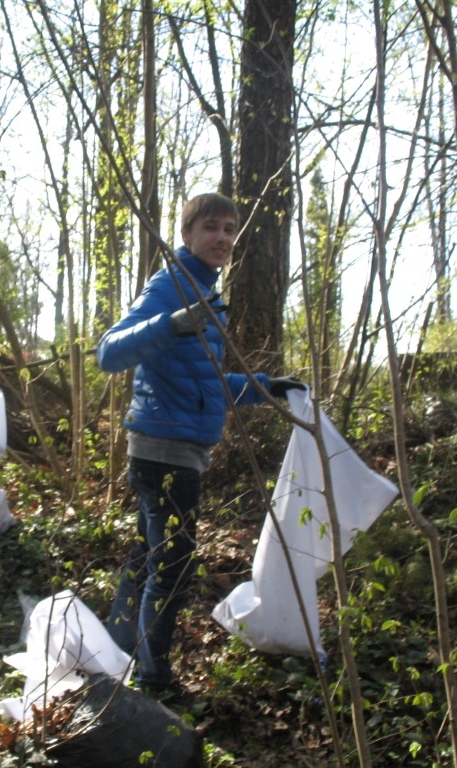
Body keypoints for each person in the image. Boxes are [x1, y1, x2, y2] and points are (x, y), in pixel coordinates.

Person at [96, 192, 305, 695]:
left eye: (230, 229)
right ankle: (153, 679)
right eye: (211, 227)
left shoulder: (206, 294)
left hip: (176, 449)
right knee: (174, 564)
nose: (222, 238)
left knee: (148, 556)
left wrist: (263, 385)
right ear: (187, 235)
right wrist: (171, 322)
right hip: (162, 453)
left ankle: (117, 644)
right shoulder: (171, 286)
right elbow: (109, 352)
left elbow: (204, 382)